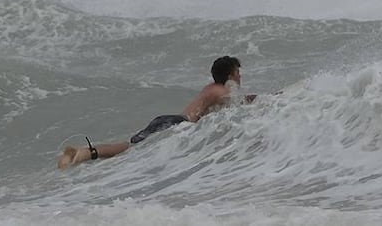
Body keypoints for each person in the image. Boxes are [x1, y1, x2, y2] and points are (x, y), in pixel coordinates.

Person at [57, 55, 257, 169]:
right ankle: (82, 154)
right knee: (130, 150)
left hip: (169, 120)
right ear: (230, 75)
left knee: (130, 147)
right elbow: (237, 102)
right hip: (177, 124)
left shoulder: (210, 88)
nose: (240, 76)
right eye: (238, 72)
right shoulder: (222, 90)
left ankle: (83, 152)